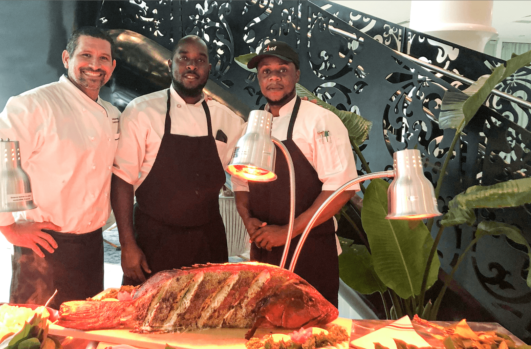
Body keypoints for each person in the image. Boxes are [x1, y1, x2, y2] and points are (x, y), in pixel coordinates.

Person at [0, 26, 119, 308]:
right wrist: (9, 228)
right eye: (86, 55)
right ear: (66, 58)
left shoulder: (112, 115)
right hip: (44, 248)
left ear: (112, 65)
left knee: (85, 339)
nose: (95, 65)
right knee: (35, 340)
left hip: (92, 250)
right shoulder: (34, 105)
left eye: (103, 58)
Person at [232, 41, 360, 306]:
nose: (274, 77)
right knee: (264, 335)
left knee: (312, 338)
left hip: (310, 251)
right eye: (266, 71)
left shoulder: (320, 121)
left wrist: (287, 232)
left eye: (282, 69)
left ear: (297, 75)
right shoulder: (251, 127)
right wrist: (247, 219)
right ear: (259, 78)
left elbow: (341, 188)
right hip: (263, 249)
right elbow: (240, 184)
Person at [112, 35, 245, 285]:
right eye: (184, 58)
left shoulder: (228, 119)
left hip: (208, 241)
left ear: (209, 68)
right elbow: (122, 181)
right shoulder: (142, 111)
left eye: (200, 60)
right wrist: (127, 245)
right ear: (170, 64)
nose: (191, 66)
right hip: (153, 241)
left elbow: (245, 177)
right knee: (146, 320)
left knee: (208, 320)